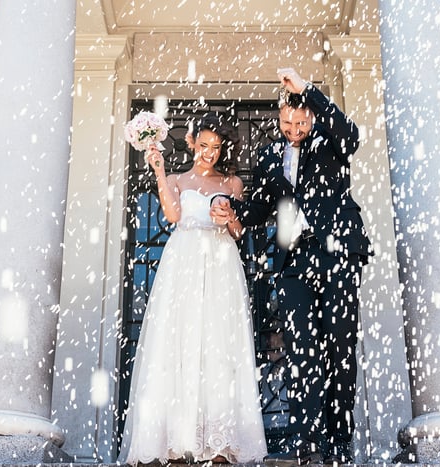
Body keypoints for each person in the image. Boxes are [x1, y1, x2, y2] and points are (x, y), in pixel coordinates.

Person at [211, 68, 372, 464]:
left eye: (301, 122)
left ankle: (338, 442)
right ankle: (304, 442)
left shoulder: (332, 143)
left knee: (339, 348)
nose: (293, 129)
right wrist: (230, 211)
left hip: (338, 254)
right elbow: (261, 207)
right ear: (278, 117)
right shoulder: (270, 155)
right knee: (300, 350)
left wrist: (307, 90)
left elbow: (352, 135)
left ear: (311, 118)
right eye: (287, 122)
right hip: (293, 261)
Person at [117, 113, 268, 465]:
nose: (209, 153)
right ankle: (180, 438)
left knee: (218, 346)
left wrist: (228, 217)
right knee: (180, 342)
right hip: (184, 262)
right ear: (191, 142)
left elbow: (239, 233)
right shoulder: (178, 180)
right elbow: (171, 215)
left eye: (216, 148)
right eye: (204, 146)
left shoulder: (232, 183)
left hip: (220, 265)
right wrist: (157, 170)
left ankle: (217, 442)